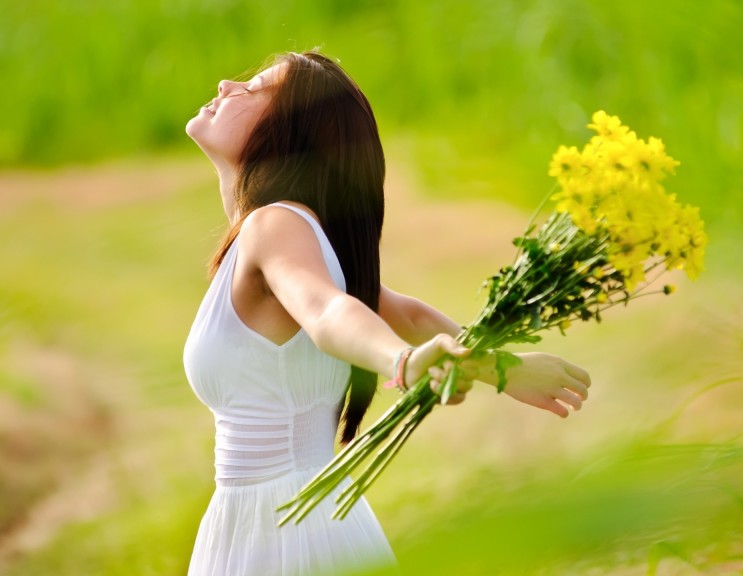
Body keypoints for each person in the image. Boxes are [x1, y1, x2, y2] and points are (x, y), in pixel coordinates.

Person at [182, 50, 591, 575]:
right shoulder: (280, 233)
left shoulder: (275, 226)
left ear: (286, 134)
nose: (225, 84)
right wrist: (500, 368)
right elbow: (406, 313)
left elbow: (330, 312)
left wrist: (402, 362)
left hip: (281, 528)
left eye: (253, 88)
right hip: (283, 519)